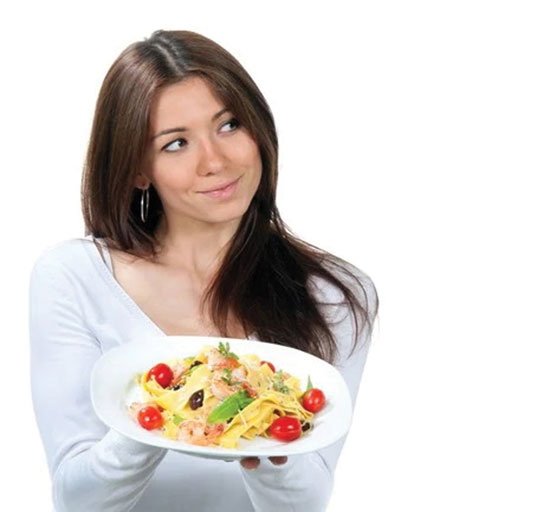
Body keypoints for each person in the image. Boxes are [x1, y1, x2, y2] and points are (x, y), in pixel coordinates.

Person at [28, 29, 378, 512]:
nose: (215, 161)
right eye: (176, 144)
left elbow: (305, 503)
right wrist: (161, 410)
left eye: (230, 125)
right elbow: (77, 501)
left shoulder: (335, 293)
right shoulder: (74, 277)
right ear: (137, 169)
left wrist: (260, 422)